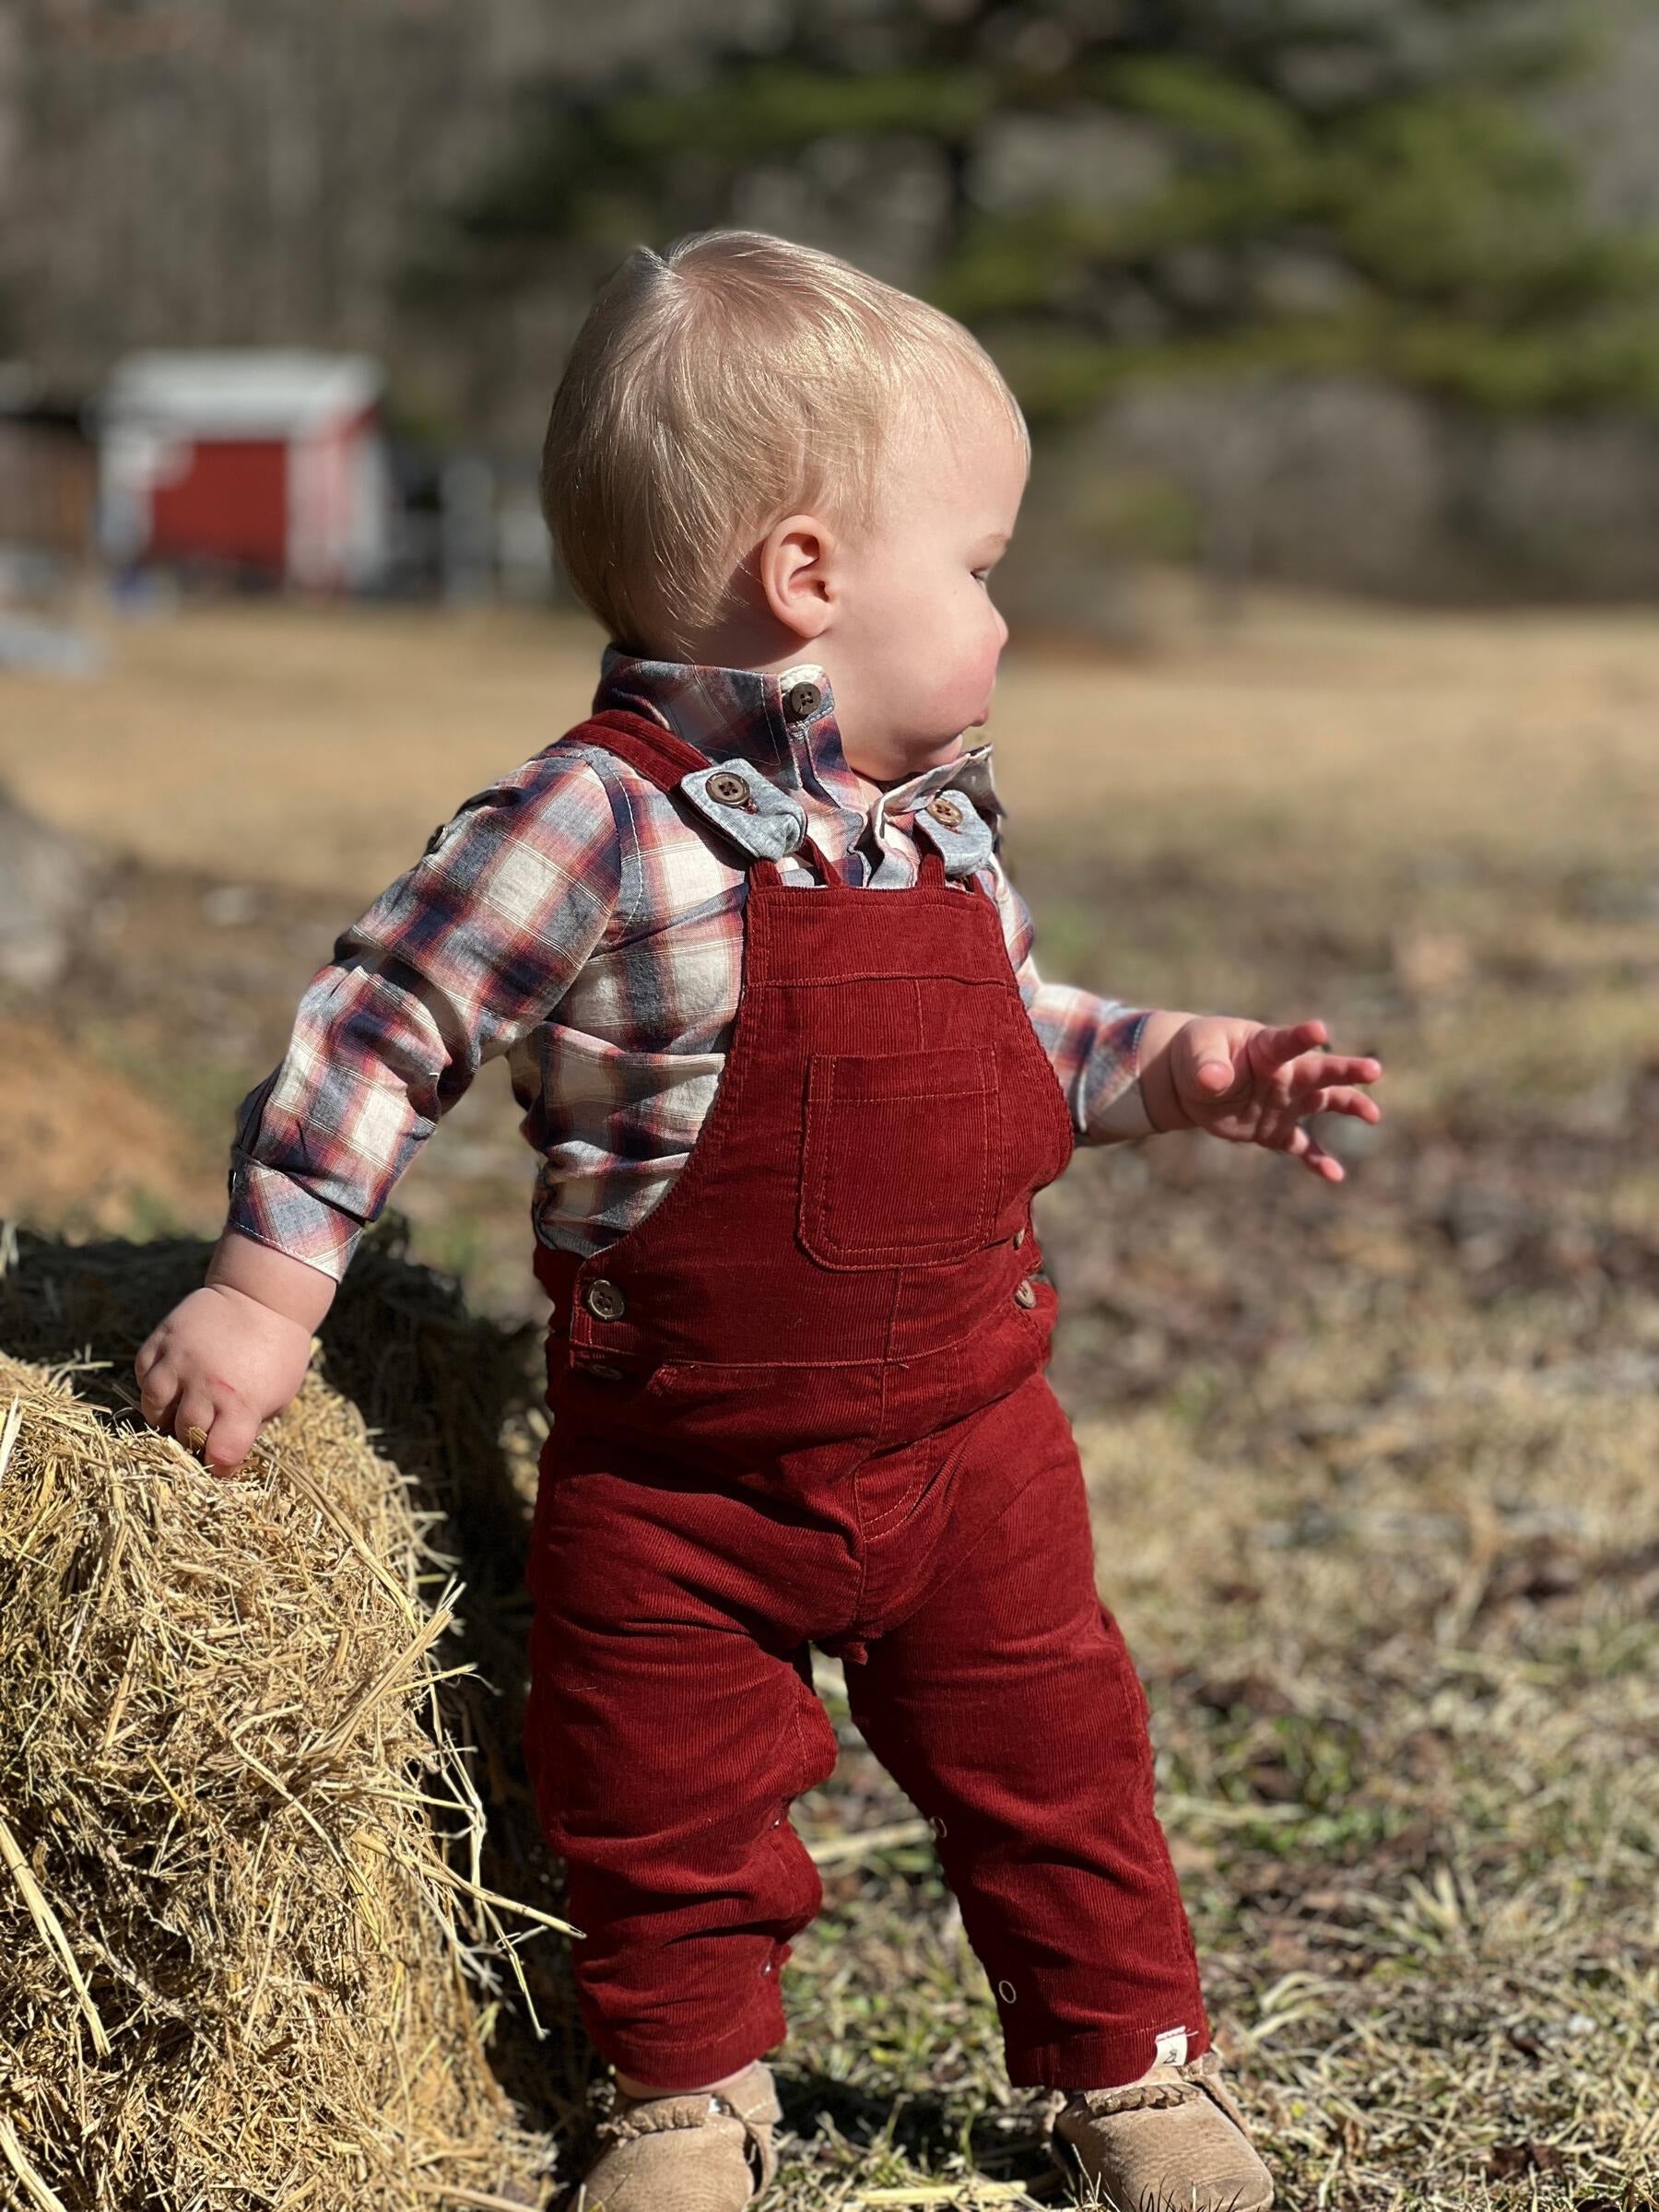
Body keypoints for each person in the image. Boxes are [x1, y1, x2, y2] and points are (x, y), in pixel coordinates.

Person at [135, 229, 1382, 2211]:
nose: (1000, 616)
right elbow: (387, 1021)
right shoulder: (590, 824)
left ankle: (1127, 2069)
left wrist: (1183, 1066)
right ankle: (691, 2098)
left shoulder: (941, 823)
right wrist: (266, 1294)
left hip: (974, 1447)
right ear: (810, 579)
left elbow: (1018, 1037)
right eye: (976, 570)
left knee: (1060, 1765)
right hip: (684, 1476)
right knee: (663, 1803)